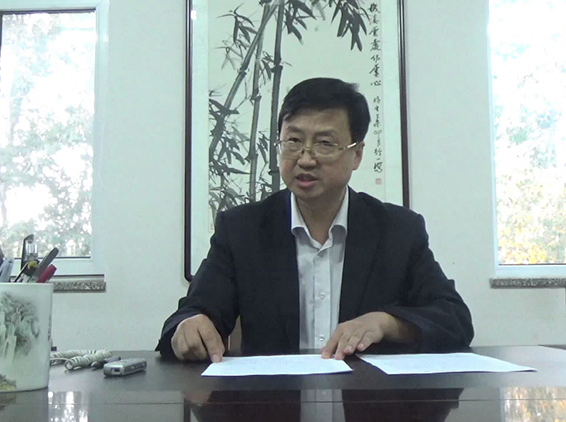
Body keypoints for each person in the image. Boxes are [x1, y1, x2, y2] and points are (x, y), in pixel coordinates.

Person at [156, 77, 473, 362]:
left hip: (367, 399)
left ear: (357, 154)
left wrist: (386, 323)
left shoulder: (398, 231)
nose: (306, 159)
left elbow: (455, 319)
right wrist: (190, 326)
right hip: (271, 401)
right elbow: (189, 315)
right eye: (293, 141)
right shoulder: (242, 230)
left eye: (324, 144)